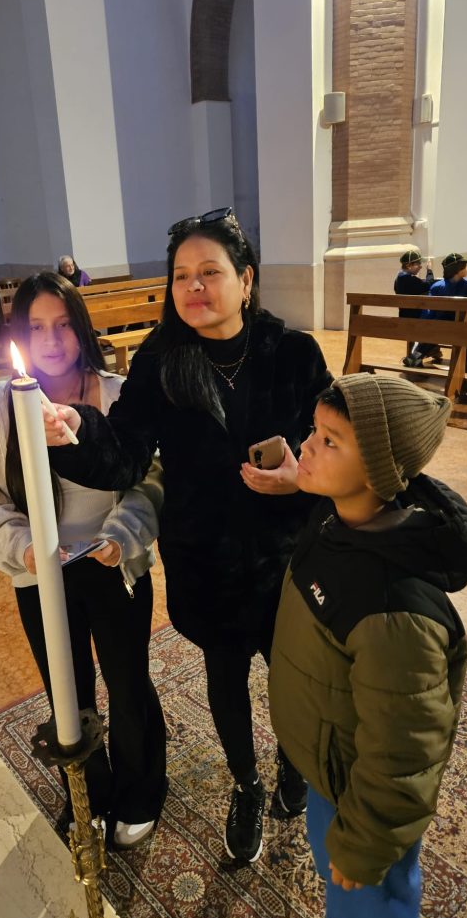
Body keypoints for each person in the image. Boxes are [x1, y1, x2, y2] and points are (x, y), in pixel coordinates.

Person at [43, 207, 331, 864]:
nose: (194, 286)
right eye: (181, 275)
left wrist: (301, 478)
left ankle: (293, 764)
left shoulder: (292, 353)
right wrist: (78, 430)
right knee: (225, 679)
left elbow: (334, 441)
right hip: (207, 561)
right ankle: (247, 784)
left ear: (246, 280)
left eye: (210, 272)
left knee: (296, 679)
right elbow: (123, 454)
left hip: (287, 556)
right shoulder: (160, 362)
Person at [0, 272, 167, 848]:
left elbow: (150, 477)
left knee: (128, 682)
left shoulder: (117, 396)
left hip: (113, 562)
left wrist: (124, 535)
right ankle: (88, 792)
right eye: (37, 327)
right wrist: (22, 546)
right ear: (20, 335)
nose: (51, 339)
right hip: (41, 574)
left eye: (64, 324)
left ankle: (141, 789)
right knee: (67, 689)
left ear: (82, 329)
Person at [269, 373, 467, 918]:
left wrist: (366, 843)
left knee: (368, 906)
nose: (306, 446)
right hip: (332, 767)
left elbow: (404, 752)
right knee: (335, 870)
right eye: (313, 430)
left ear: (379, 472)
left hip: (363, 795)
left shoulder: (395, 611)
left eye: (329, 441)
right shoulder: (335, 516)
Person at [402, 252, 467, 367]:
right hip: (462, 330)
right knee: (464, 328)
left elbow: (428, 312)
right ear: (458, 269)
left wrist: (425, 325)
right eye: (465, 266)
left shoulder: (437, 286)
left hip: (438, 328)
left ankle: (416, 355)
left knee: (436, 326)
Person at [393, 250, 435, 319]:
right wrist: (429, 270)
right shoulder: (408, 279)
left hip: (405, 316)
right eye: (418, 263)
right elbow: (430, 284)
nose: (421, 266)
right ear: (408, 265)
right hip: (414, 319)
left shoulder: (399, 277)